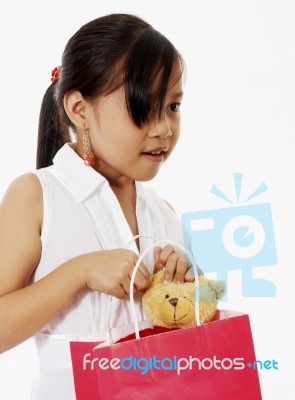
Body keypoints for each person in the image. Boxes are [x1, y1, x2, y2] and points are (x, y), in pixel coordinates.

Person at [0, 13, 193, 399]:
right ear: (79, 109)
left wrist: (182, 292)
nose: (163, 129)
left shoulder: (164, 213)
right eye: (142, 107)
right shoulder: (36, 196)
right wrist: (80, 271)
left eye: (172, 106)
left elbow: (175, 345)